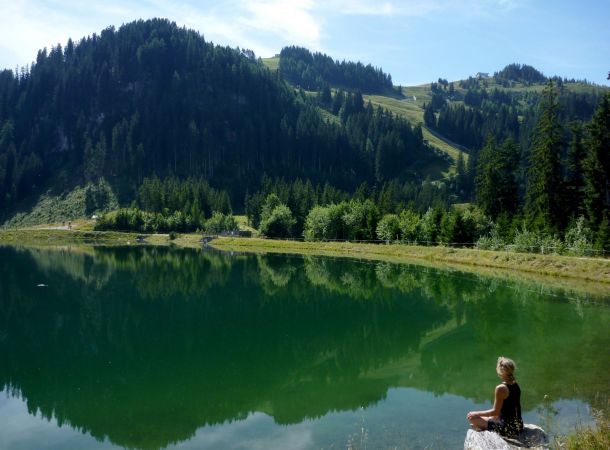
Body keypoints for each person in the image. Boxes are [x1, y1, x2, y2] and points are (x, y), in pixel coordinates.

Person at [467, 356, 524, 437]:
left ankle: (483, 426)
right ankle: (483, 425)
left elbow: (495, 412)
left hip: (508, 429)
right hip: (518, 425)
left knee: (472, 418)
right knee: (486, 417)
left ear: (500, 370)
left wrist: (476, 413)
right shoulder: (515, 384)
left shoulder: (501, 388)